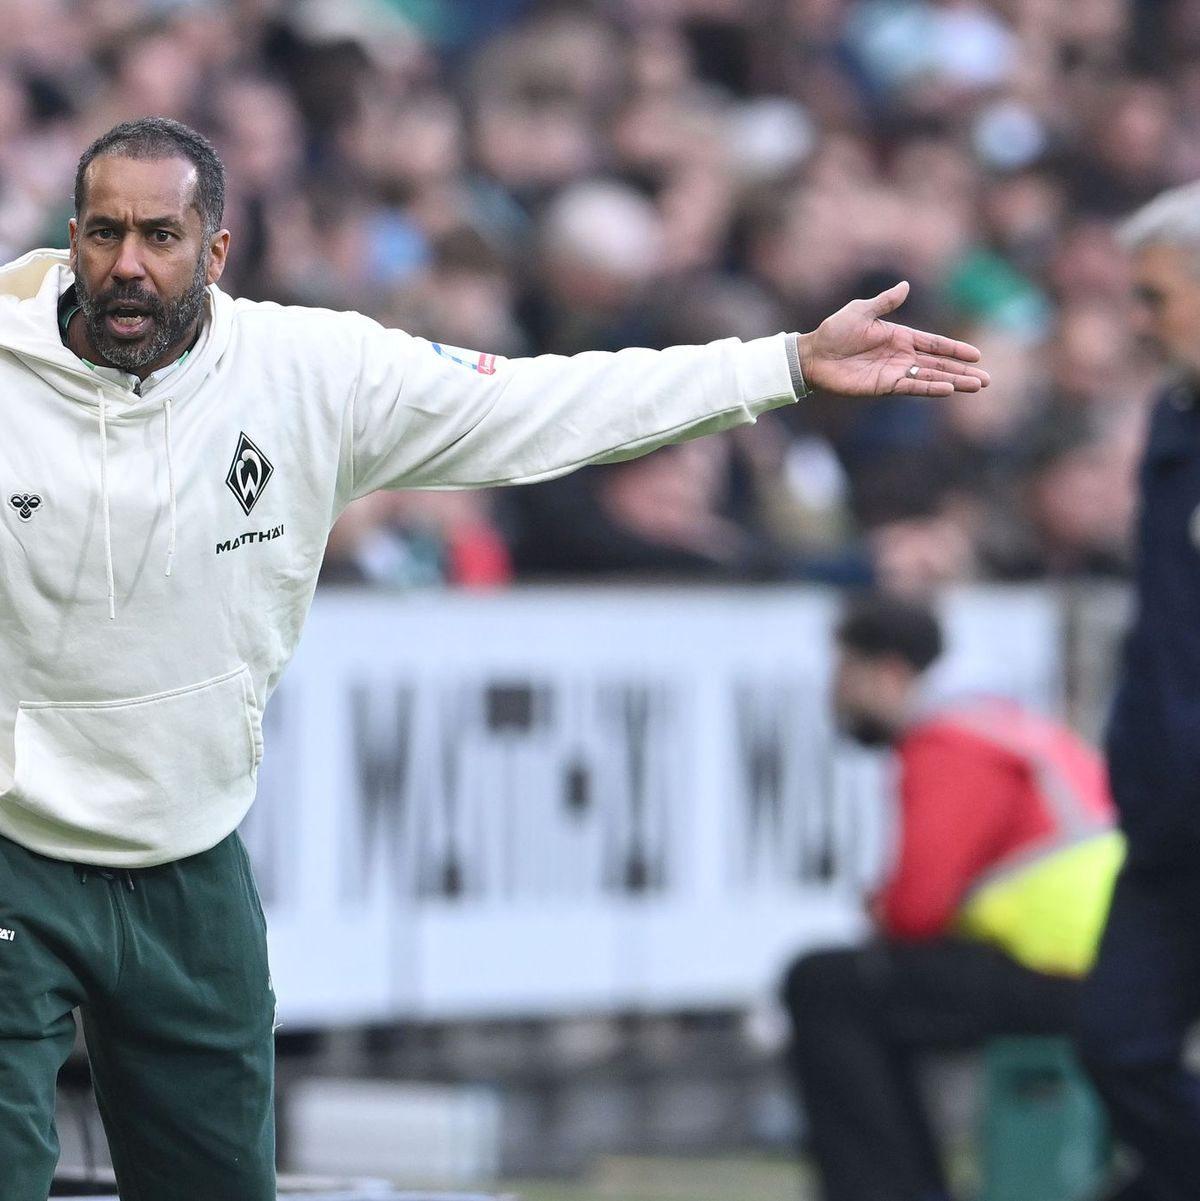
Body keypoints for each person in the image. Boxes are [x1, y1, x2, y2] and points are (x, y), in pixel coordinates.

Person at [0, 117, 987, 1200]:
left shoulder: (310, 370)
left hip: (191, 856)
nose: (128, 264)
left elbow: (535, 404)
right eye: (103, 233)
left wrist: (785, 364)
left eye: (160, 234)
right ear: (72, 234)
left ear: (218, 250)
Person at [781, 593, 1122, 1201]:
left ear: (886, 673)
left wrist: (879, 908)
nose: (836, 699)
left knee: (823, 986)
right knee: (863, 988)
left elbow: (916, 910)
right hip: (1106, 966)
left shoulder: (949, 742)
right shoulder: (1005, 725)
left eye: (843, 678)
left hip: (1061, 972)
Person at [1074, 180, 1200, 1201]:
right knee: (1117, 1043)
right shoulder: (1175, 415)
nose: (1140, 319)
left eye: (1156, 295)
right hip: (1166, 815)